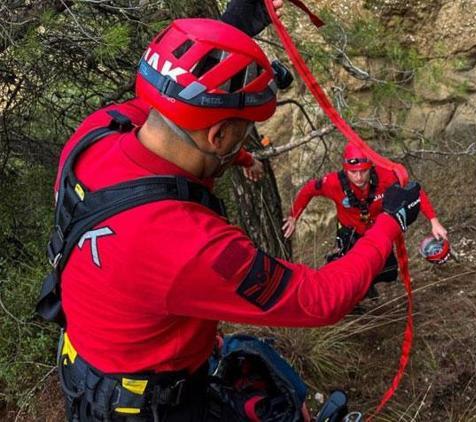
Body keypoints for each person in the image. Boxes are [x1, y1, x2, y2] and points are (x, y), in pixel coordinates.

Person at [41, 0, 424, 420]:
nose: (242, 145)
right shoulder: (192, 245)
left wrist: (233, 30)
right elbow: (320, 299)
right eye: (241, 136)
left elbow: (171, 111)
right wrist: (391, 220)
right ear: (219, 136)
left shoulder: (96, 133)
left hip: (94, 375)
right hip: (152, 406)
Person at [282, 143, 447, 293]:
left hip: (377, 232)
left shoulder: (386, 177)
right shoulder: (333, 182)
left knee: (388, 272)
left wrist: (434, 221)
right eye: (353, 172)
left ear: (371, 167)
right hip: (350, 232)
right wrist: (293, 216)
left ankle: (366, 286)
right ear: (346, 169)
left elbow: (414, 192)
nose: (359, 177)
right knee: (348, 276)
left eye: (364, 171)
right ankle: (352, 297)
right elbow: (309, 189)